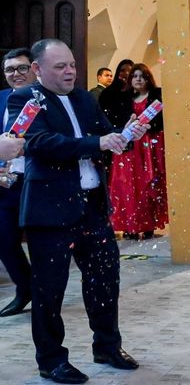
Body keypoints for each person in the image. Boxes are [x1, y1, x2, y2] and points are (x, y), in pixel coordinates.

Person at [8, 39, 147, 384]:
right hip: (49, 209)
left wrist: (126, 134)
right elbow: (39, 143)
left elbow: (104, 136)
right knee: (49, 290)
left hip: (92, 208)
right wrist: (97, 143)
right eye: (60, 67)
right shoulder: (24, 98)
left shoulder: (85, 98)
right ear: (38, 70)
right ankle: (52, 361)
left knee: (105, 281)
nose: (70, 71)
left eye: (71, 64)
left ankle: (107, 346)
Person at [108, 64, 167, 240]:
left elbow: (162, 123)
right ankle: (129, 225)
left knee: (147, 185)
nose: (138, 79)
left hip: (149, 148)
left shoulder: (157, 98)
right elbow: (116, 122)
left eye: (142, 76)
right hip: (128, 148)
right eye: (135, 76)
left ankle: (148, 224)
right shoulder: (123, 99)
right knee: (127, 184)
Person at [0, 47, 34, 318]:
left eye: (22, 68)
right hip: (5, 183)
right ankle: (25, 289)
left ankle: (46, 295)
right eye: (10, 70)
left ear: (34, 69)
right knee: (4, 240)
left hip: (37, 180)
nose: (16, 74)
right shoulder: (1, 99)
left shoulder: (47, 99)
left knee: (40, 243)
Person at [97, 59, 133, 127]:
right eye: (122, 71)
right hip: (112, 131)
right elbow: (101, 114)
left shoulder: (136, 92)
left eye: (130, 71)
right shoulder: (107, 93)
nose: (126, 73)